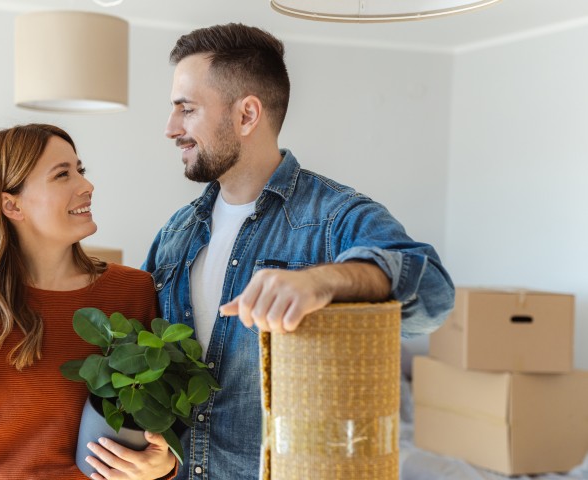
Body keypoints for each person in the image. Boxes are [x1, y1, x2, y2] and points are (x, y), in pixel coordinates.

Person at [142, 24, 455, 479]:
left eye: (186, 110)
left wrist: (324, 281)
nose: (170, 128)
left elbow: (435, 297)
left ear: (247, 115)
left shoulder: (336, 218)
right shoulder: (176, 233)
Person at [0, 124, 177, 479]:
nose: (86, 186)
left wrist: (165, 465)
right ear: (11, 204)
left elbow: (161, 415)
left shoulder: (133, 291)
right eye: (63, 175)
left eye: (81, 170)